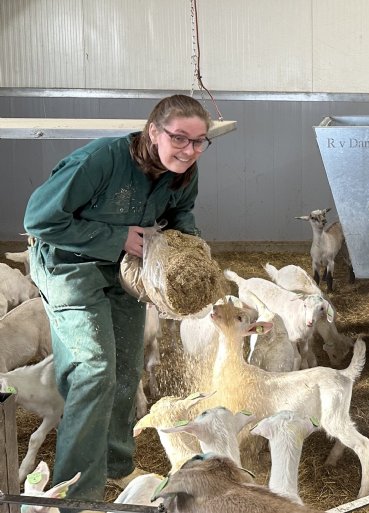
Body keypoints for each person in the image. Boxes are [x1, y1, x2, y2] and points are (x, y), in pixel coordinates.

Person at [23, 94, 212, 506]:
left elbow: (180, 214)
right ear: (153, 132)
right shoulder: (101, 161)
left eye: (200, 142)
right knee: (94, 371)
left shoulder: (183, 172)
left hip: (127, 269)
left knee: (126, 366)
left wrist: (188, 251)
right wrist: (117, 238)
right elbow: (38, 218)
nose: (190, 150)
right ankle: (75, 493)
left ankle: (115, 465)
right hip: (68, 266)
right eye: (180, 138)